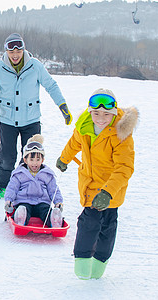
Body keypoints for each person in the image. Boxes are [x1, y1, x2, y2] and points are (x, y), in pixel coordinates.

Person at [0, 33, 72, 199]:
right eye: (11, 52)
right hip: (8, 121)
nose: (15, 55)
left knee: (31, 156)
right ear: (6, 52)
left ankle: (25, 186)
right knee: (6, 156)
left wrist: (62, 106)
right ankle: (2, 186)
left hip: (31, 120)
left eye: (18, 51)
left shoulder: (35, 66)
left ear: (23, 50)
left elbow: (51, 86)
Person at [56, 88, 138, 280]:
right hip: (90, 185)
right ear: (90, 112)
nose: (101, 118)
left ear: (114, 112)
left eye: (106, 114)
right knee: (89, 222)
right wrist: (64, 158)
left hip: (112, 189)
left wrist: (108, 192)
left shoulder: (121, 134)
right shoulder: (84, 126)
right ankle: (83, 260)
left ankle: (100, 260)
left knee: (108, 226)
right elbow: (74, 142)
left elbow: (124, 167)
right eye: (96, 113)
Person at [4, 134, 63, 228]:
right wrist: (8, 201)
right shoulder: (19, 173)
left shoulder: (47, 174)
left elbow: (53, 189)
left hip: (42, 202)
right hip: (24, 201)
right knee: (24, 209)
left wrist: (58, 202)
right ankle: (20, 218)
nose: (34, 163)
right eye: (31, 159)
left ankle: (54, 220)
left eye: (38, 159)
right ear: (25, 160)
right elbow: (12, 188)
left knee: (46, 211)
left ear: (42, 160)